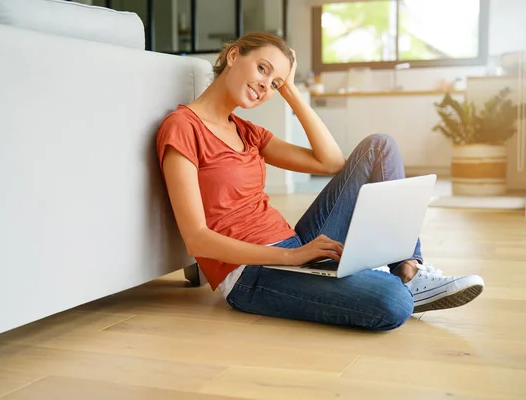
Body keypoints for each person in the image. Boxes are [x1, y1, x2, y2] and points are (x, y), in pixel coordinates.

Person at [155, 32, 484, 331]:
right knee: (394, 304)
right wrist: (292, 258)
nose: (265, 86)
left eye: (275, 84)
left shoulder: (246, 131)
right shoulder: (183, 126)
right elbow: (197, 240)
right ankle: (391, 280)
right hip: (249, 273)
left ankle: (408, 267)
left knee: (379, 147)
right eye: (263, 69)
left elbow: (330, 162)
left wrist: (292, 92)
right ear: (234, 55)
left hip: (297, 245)